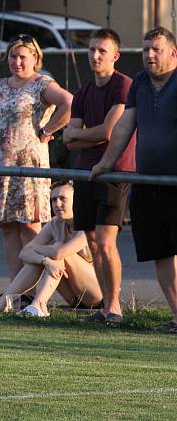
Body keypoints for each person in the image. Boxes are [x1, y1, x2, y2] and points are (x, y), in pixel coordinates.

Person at [91, 26, 177, 334]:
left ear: (172, 53)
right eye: (145, 50)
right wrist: (106, 163)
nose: (149, 55)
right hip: (148, 183)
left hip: (174, 183)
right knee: (161, 253)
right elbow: (126, 125)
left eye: (155, 49)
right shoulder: (140, 82)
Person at [0, 34, 72, 279]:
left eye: (23, 57)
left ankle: (33, 290)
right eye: (12, 57)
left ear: (35, 58)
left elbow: (68, 102)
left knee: (30, 228)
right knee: (8, 230)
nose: (17, 62)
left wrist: (47, 131)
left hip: (28, 167)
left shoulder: (42, 84)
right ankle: (15, 292)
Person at [62, 28, 135, 325]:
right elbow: (68, 138)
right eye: (91, 50)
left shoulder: (124, 86)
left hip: (113, 171)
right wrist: (82, 137)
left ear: (115, 56)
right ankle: (104, 307)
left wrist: (81, 136)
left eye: (101, 51)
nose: (94, 55)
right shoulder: (82, 94)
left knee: (106, 242)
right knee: (91, 242)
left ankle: (115, 307)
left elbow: (110, 131)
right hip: (84, 172)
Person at [0, 181, 102, 317]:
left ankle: (39, 305)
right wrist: (44, 260)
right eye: (53, 200)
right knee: (43, 259)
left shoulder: (88, 225)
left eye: (63, 199)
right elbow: (24, 253)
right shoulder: (55, 223)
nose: (57, 204)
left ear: (76, 200)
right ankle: (1, 304)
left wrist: (40, 251)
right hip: (73, 297)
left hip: (96, 294)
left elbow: (58, 252)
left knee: (56, 251)